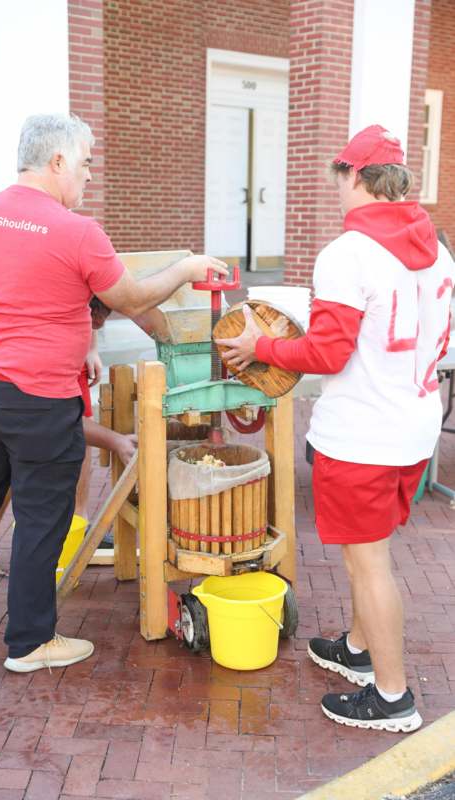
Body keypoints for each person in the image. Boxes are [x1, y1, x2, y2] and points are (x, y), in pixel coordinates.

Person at [0, 112, 227, 673]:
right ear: (57, 162)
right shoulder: (76, 230)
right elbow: (134, 299)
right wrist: (185, 268)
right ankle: (31, 643)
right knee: (44, 514)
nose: (89, 176)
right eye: (86, 164)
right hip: (38, 398)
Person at [216, 124, 455, 733]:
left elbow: (327, 353)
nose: (338, 191)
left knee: (366, 563)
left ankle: (393, 697)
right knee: (368, 552)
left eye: (340, 178)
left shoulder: (346, 253)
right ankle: (357, 648)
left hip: (364, 432)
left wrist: (259, 344)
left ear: (355, 175)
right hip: (414, 422)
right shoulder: (438, 245)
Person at [0, 297, 135, 585]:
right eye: (95, 319)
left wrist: (91, 347)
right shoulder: (46, 325)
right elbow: (68, 423)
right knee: (15, 458)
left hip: (68, 344)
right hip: (25, 363)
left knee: (79, 446)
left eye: (99, 321)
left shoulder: (84, 312)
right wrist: (116, 441)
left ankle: (78, 523)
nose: (99, 324)